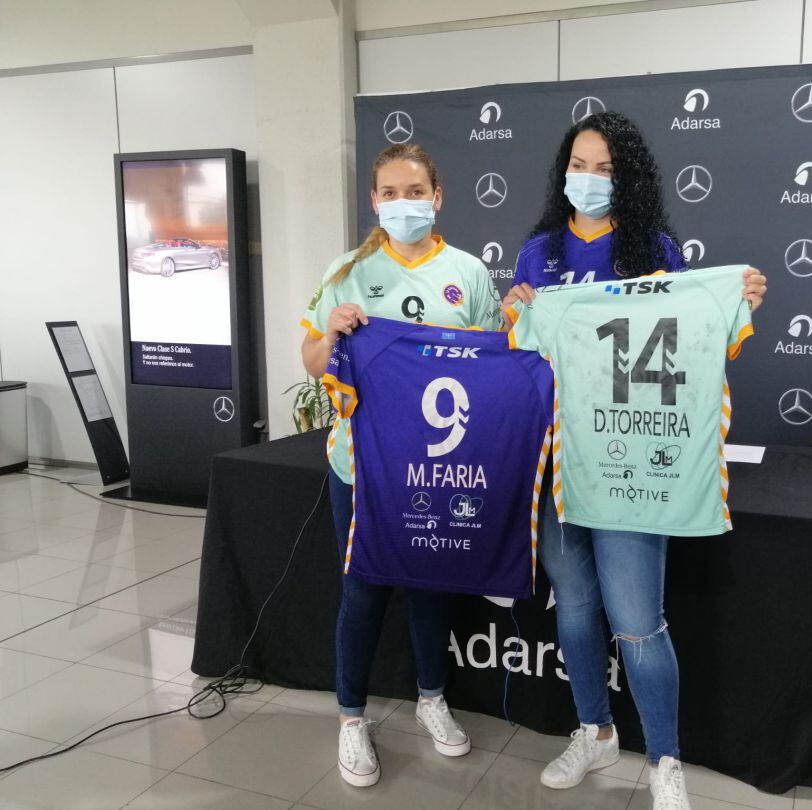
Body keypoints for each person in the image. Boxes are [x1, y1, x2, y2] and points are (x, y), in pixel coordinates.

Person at [502, 110, 767, 810]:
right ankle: (593, 730)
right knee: (576, 609)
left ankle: (665, 759)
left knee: (638, 621)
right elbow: (521, 359)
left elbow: (691, 339)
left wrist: (737, 302)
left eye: (605, 170)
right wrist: (513, 314)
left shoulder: (654, 248)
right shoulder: (538, 253)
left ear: (629, 179)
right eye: (580, 166)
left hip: (627, 466)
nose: (588, 180)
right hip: (557, 462)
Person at [299, 142, 502, 788]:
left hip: (438, 468)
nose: (403, 202)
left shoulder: (469, 274)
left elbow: (495, 363)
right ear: (374, 200)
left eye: (415, 191)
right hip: (360, 466)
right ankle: (352, 719)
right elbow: (310, 358)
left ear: (438, 197)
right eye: (390, 192)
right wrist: (330, 333)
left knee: (431, 585)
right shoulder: (347, 269)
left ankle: (432, 697)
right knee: (362, 592)